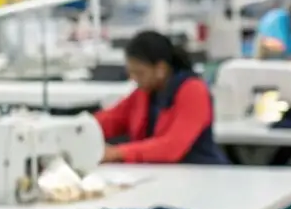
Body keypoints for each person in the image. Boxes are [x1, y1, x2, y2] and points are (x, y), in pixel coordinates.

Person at [95, 30, 227, 164]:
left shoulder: (193, 91)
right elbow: (110, 119)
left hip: (200, 171)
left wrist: (117, 153)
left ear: (161, 69)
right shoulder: (144, 93)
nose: (134, 79)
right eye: (131, 73)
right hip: (161, 171)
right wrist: (83, 128)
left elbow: (172, 147)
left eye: (139, 73)